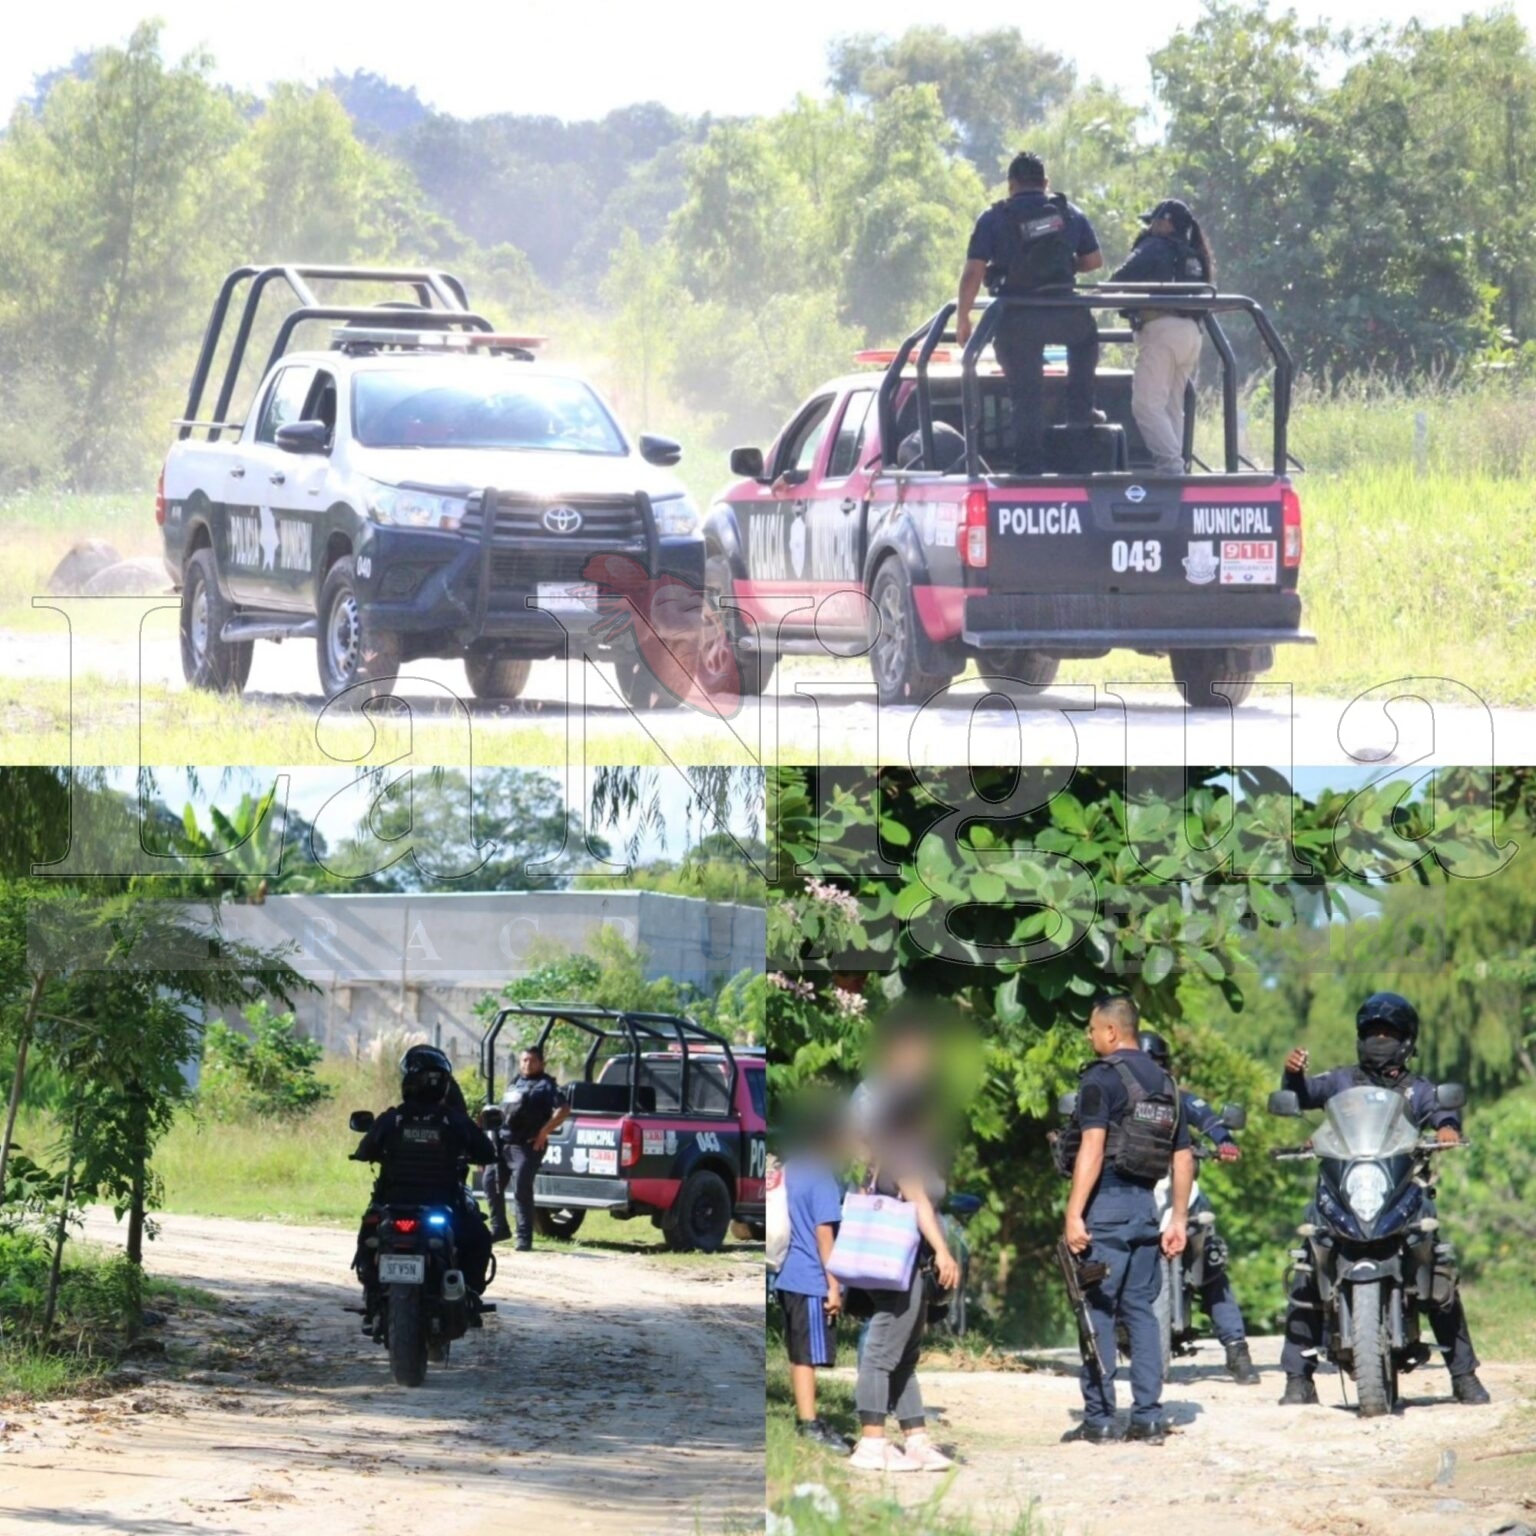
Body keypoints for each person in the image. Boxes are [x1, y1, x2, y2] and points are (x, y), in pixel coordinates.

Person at [1276, 992, 1490, 1407]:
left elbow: (1443, 1111)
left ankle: (1464, 1375)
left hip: (1402, 1191)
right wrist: (1294, 1078)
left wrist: (1446, 1128)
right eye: (1371, 1032)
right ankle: (1296, 1379)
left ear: (1406, 1041)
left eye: (1387, 1033)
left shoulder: (1418, 1090)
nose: (1379, 1040)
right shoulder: (1341, 1081)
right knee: (1308, 1264)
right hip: (1344, 1189)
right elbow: (1303, 1097)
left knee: (1437, 1269)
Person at [1061, 995, 1192, 1445]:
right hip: (1145, 1211)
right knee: (1140, 1312)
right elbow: (1182, 1156)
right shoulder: (1167, 1082)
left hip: (1108, 1208)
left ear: (1112, 1032)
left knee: (1096, 1307)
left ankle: (1099, 1419)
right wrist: (1178, 1218)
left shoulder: (1101, 1078)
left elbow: (1092, 1148)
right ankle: (1148, 1417)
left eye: (1093, 1030)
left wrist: (1074, 1212)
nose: (1090, 1037)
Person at [849, 1011, 961, 1474]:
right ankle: (871, 1442)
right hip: (899, 1252)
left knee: (906, 1351)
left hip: (907, 1254)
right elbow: (915, 1195)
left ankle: (915, 1439)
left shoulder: (904, 1136)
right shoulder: (900, 1140)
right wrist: (944, 1250)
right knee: (882, 1349)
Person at [956, 151, 1103, 475]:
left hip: (1016, 316)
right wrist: (1067, 265)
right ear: (1045, 183)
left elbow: (973, 273)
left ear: (1011, 185)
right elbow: (1094, 261)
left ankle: (1029, 471)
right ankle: (1081, 419)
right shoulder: (1069, 213)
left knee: (1027, 396)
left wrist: (963, 316)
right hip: (1065, 314)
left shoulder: (993, 218)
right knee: (1086, 342)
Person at [1138, 1030, 1259, 1385]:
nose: (1150, 1072)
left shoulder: (1180, 1099)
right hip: (1138, 1195)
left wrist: (1225, 1141)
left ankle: (1237, 1350)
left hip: (1182, 1194)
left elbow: (1208, 1120)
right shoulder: (1121, 1100)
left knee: (1212, 1267)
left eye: (1156, 1064)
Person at [352, 1045, 496, 1314]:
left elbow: (364, 1149)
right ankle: (469, 1295)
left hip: (394, 1204)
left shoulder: (392, 1119)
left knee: (369, 1229)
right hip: (443, 1205)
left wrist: (368, 1153)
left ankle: (372, 1291)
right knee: (478, 1237)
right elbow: (487, 1152)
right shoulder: (455, 1121)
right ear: (445, 1085)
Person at [1110, 199, 1214, 476]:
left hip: (1162, 330)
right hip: (1192, 334)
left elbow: (1120, 277)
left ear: (1166, 223)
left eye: (1154, 221)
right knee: (1171, 407)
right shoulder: (1194, 254)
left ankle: (1172, 468)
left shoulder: (1155, 246)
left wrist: (1100, 296)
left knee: (1145, 405)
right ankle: (1175, 469)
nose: (1150, 227)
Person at [774, 1098, 851, 1457]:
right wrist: (834, 1286)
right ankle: (809, 1423)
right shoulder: (822, 1177)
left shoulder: (791, 1168)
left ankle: (810, 1420)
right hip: (810, 1279)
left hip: (787, 1276)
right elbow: (825, 1237)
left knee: (798, 1352)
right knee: (807, 1356)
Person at [485, 1045, 570, 1250]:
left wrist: (544, 1132)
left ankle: (524, 1238)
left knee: (521, 1189)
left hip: (527, 1147)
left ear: (541, 1063)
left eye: (531, 1060)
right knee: (490, 1183)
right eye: (524, 1060)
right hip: (503, 1144)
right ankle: (499, 1228)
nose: (527, 1064)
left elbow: (564, 1109)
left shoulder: (546, 1085)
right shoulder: (515, 1082)